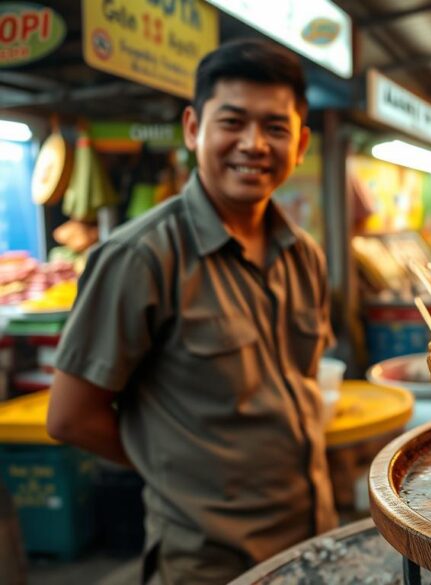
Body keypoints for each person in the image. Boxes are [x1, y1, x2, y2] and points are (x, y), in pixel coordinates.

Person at [46, 40, 337, 584]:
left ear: (300, 144)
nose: (253, 144)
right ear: (192, 129)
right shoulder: (141, 256)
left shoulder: (306, 256)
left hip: (310, 537)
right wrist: (182, 471)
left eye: (275, 128)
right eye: (233, 122)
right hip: (207, 560)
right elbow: (69, 416)